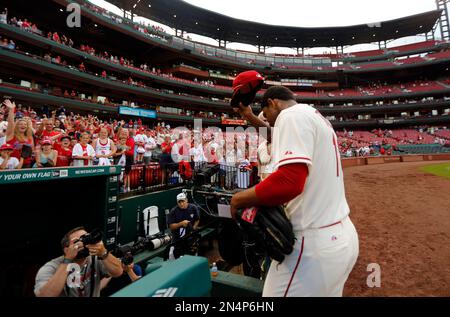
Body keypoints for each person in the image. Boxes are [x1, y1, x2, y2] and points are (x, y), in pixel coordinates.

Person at [230, 85, 359, 297]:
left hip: (312, 246)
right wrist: (249, 116)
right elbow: (275, 134)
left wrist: (239, 199)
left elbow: (289, 182)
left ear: (273, 103)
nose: (270, 121)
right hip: (340, 237)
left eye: (268, 116)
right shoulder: (312, 116)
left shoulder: (290, 116)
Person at [34, 227, 123, 297]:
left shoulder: (95, 259)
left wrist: (103, 252)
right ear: (66, 249)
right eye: (77, 241)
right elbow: (45, 295)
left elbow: (118, 272)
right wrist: (68, 259)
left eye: (86, 238)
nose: (83, 244)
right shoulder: (51, 267)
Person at [167, 193, 200, 259]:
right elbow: (171, 226)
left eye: (183, 201)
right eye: (179, 202)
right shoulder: (173, 211)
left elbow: (197, 219)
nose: (181, 204)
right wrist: (181, 224)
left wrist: (193, 228)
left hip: (191, 238)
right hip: (177, 239)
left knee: (192, 257)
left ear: (186, 200)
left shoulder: (193, 207)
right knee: (175, 257)